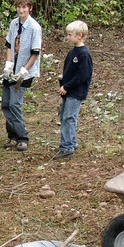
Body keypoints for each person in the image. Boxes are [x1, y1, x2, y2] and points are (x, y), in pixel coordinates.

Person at [1, 0, 42, 152]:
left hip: (25, 71)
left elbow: (35, 52)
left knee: (14, 104)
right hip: (12, 69)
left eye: (24, 7)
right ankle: (12, 136)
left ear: (30, 8)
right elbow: (9, 44)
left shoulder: (34, 27)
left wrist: (24, 70)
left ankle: (22, 137)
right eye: (19, 7)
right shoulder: (13, 24)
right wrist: (8, 64)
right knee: (5, 103)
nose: (21, 10)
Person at [54, 20, 93, 159]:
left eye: (70, 34)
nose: (67, 37)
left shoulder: (83, 54)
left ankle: (67, 147)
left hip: (75, 92)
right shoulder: (73, 52)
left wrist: (67, 86)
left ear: (80, 36)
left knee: (68, 118)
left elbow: (82, 76)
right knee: (66, 116)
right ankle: (71, 141)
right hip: (69, 91)